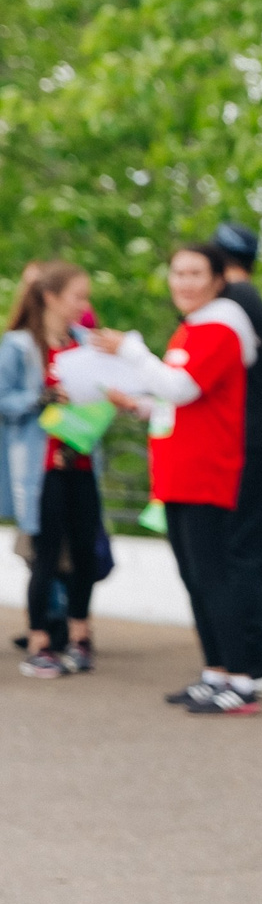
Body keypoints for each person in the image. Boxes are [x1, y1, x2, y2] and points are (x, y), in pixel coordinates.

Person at [115, 244, 261, 715]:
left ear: (218, 279)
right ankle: (215, 670)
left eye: (195, 273)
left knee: (213, 575)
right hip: (179, 471)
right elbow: (176, 399)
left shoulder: (221, 328)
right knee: (194, 575)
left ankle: (240, 678)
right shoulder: (192, 328)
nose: (184, 282)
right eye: (178, 273)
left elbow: (182, 386)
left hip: (206, 470)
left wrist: (131, 351)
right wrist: (139, 404)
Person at [6, 262, 104, 677]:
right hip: (40, 465)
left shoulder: (84, 342)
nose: (84, 305)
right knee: (45, 554)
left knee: (84, 551)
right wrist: (39, 397)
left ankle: (80, 636)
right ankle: (40, 641)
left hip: (81, 459)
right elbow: (4, 400)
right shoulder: (19, 346)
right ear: (51, 297)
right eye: (77, 296)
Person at [210, 220, 262, 699]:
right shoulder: (253, 303)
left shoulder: (230, 308)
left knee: (239, 553)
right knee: (257, 556)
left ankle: (254, 659)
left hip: (247, 446)